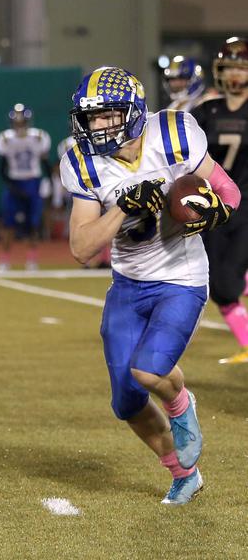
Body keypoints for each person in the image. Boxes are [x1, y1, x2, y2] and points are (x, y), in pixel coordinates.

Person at [61, 66, 240, 505]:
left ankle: (182, 406)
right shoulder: (83, 161)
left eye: (108, 115)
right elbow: (82, 248)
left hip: (181, 278)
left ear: (135, 111)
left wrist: (215, 211)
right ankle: (184, 473)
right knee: (125, 401)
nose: (98, 126)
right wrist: (122, 206)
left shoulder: (175, 134)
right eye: (91, 118)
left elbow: (229, 191)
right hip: (128, 283)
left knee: (150, 370)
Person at [190, 37, 248, 364]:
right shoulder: (206, 111)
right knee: (217, 285)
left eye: (241, 67)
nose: (236, 75)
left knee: (227, 283)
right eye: (230, 67)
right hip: (215, 207)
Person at [0, 103, 51, 271]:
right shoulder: (5, 139)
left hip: (33, 181)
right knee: (8, 224)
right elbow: (2, 168)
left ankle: (32, 259)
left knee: (33, 224)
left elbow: (45, 162)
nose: (19, 125)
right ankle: (4, 259)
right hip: (14, 182)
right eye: (17, 122)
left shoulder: (39, 137)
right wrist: (11, 185)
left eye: (22, 121)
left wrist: (47, 181)